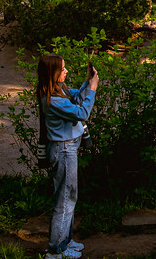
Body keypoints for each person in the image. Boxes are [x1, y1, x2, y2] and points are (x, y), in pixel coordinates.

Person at [37, 54, 98, 259]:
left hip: (67, 148)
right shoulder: (53, 99)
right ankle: (55, 250)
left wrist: (87, 82)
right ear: (52, 72)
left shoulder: (60, 90)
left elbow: (76, 98)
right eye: (62, 69)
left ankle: (65, 241)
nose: (66, 71)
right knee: (65, 199)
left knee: (69, 196)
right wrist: (93, 90)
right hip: (64, 150)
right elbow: (81, 113)